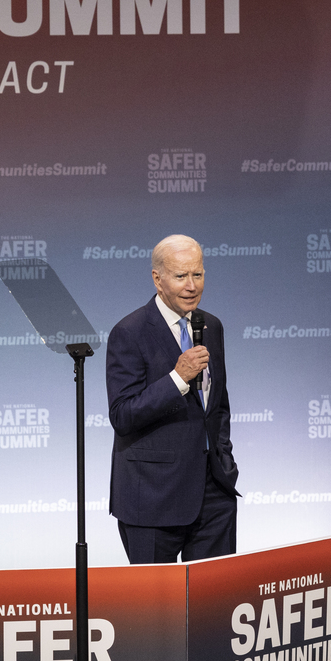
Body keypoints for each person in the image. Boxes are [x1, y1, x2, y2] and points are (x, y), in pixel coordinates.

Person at [106, 234, 239, 563]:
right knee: (155, 598)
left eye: (198, 274)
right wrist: (177, 378)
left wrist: (224, 459)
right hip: (153, 497)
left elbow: (217, 406)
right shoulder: (130, 332)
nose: (192, 286)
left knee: (215, 594)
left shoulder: (211, 326)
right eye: (181, 276)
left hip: (214, 494)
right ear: (158, 279)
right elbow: (123, 415)